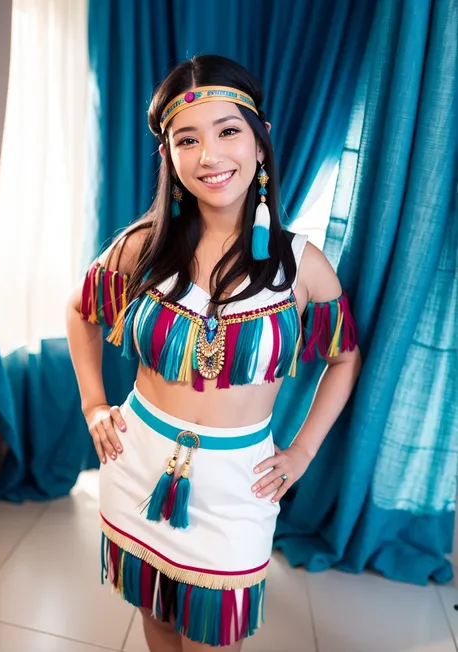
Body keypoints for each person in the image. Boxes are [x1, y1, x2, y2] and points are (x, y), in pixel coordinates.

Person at [67, 54, 361, 651]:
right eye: (187, 140)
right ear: (169, 158)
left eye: (228, 131)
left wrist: (302, 451)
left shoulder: (302, 265)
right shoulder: (141, 248)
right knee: (155, 615)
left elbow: (344, 357)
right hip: (138, 458)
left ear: (260, 142)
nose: (210, 156)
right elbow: (80, 312)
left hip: (238, 485)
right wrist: (96, 405)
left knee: (210, 640)